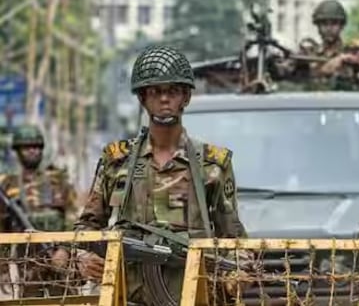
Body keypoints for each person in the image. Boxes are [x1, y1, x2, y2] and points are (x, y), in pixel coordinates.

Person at [52, 45, 251, 305]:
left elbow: (232, 235)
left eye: (173, 91)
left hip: (195, 295)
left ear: (186, 97)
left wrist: (237, 272)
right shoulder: (116, 160)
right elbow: (87, 226)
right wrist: (83, 257)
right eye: (155, 92)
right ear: (142, 99)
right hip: (128, 295)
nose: (164, 99)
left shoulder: (213, 164)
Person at [0, 124, 78, 232]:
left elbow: (72, 217)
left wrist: (64, 247)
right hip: (20, 246)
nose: (32, 151)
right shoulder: (7, 184)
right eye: (26, 147)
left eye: (36, 147)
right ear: (17, 151)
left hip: (55, 245)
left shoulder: (58, 181)